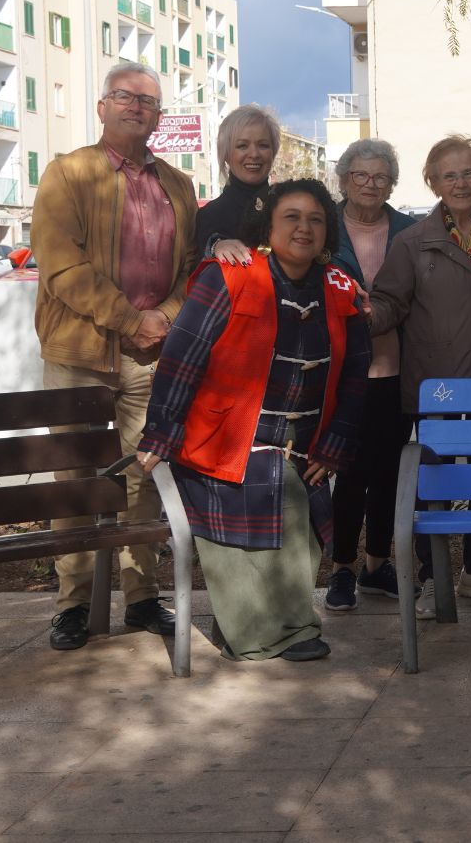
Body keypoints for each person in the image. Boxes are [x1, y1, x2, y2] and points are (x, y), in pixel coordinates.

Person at [137, 179, 369, 661]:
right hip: (225, 441)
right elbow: (184, 355)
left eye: (316, 219)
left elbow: (354, 377)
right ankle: (270, 635)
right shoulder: (229, 275)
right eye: (292, 217)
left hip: (304, 446)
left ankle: (273, 625)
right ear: (268, 226)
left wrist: (335, 445)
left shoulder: (340, 290)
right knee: (244, 547)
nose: (304, 228)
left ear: (328, 233)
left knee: (298, 536)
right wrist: (160, 433)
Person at [31, 62, 196, 652]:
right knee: (75, 479)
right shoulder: (68, 173)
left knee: (143, 479)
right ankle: (73, 605)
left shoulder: (178, 185)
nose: (136, 107)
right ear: (102, 107)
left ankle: (142, 599)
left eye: (148, 102)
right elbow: (61, 267)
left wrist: (166, 318)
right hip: (80, 352)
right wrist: (132, 318)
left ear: (158, 117)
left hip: (150, 357)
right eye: (124, 97)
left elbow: (188, 272)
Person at [366, 135, 471, 619]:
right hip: (438, 387)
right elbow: (390, 301)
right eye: (449, 174)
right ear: (432, 181)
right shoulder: (412, 243)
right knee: (436, 483)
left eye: (469, 172)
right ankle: (433, 580)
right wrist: (359, 316)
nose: (461, 182)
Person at [316, 140, 416, 611]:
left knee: (389, 472)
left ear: (392, 183)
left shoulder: (409, 232)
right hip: (341, 371)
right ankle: (341, 569)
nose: (371, 184)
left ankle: (378, 565)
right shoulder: (322, 229)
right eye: (361, 176)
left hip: (397, 368)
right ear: (343, 180)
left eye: (380, 177)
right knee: (349, 473)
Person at [194, 105, 280, 261]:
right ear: (226, 154)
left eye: (263, 145)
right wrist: (214, 247)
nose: (254, 154)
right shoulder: (210, 216)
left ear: (273, 152)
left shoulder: (290, 208)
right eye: (242, 146)